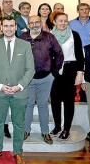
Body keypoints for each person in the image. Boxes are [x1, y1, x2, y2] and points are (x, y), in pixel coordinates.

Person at [0, 16, 35, 164]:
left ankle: (18, 152)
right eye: (5, 26)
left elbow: (30, 69)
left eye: (11, 26)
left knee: (19, 123)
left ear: (15, 27)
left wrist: (19, 86)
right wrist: (0, 86)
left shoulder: (25, 45)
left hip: (19, 92)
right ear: (0, 27)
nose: (8, 28)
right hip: (0, 92)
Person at [19, 16, 64, 145]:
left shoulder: (50, 37)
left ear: (41, 23)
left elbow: (59, 54)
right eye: (31, 23)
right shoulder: (22, 38)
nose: (34, 25)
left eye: (36, 22)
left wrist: (54, 72)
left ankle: (45, 132)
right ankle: (26, 130)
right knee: (28, 104)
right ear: (28, 24)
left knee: (43, 104)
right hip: (28, 79)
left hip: (46, 77)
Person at [50, 12, 84, 141]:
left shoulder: (74, 35)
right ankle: (57, 126)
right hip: (55, 71)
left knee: (69, 101)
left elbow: (80, 54)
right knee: (55, 100)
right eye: (60, 21)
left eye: (65, 21)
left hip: (70, 70)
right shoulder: (50, 36)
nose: (63, 23)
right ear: (54, 22)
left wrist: (80, 72)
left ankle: (66, 129)